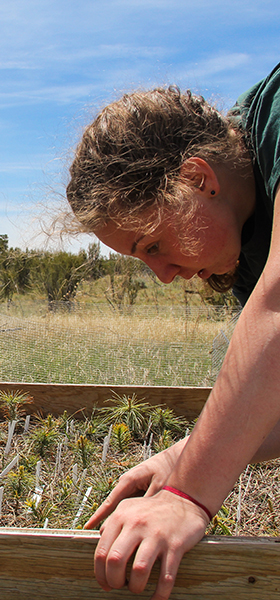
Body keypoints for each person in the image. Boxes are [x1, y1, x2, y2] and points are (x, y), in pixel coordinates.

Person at [66, 61, 280, 599]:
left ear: (197, 179)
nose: (163, 276)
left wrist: (188, 494)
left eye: (154, 246)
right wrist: (182, 456)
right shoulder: (244, 243)